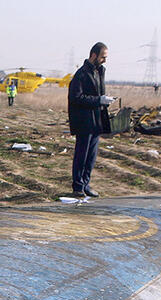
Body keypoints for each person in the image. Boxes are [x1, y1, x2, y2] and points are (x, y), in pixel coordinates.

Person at [67, 42, 113, 198]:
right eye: (103, 57)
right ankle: (78, 186)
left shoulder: (99, 72)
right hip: (84, 122)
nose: (104, 60)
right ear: (94, 55)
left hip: (96, 121)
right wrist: (99, 100)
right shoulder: (81, 74)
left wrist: (104, 101)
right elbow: (76, 98)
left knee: (91, 156)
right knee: (82, 155)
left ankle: (85, 184)